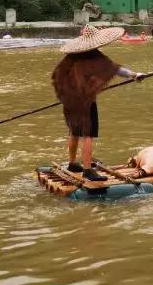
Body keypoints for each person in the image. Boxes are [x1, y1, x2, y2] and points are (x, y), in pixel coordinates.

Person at [52, 25, 145, 182]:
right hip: (85, 101)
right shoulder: (95, 56)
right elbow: (115, 69)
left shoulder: (70, 57)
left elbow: (58, 75)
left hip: (70, 99)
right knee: (88, 134)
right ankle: (88, 169)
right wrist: (134, 75)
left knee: (74, 131)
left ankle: (73, 163)